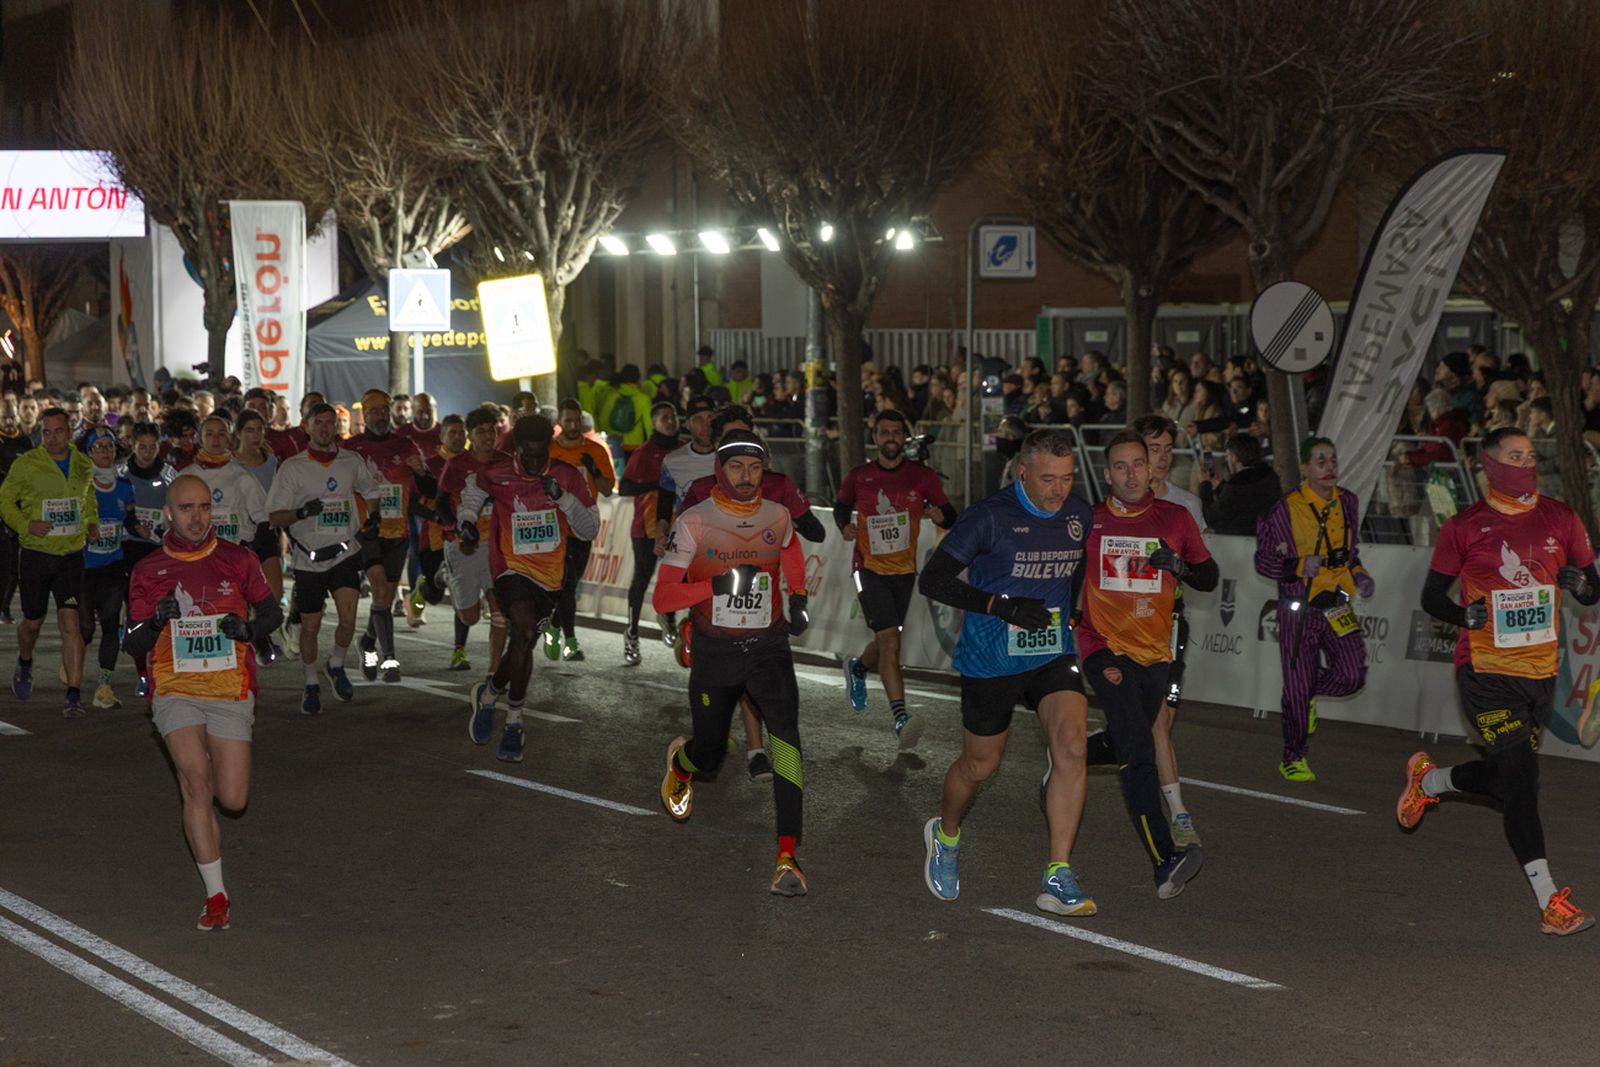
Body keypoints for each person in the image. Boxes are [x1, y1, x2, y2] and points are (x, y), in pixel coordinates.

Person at [1398, 428, 1600, 936]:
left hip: (1539, 674)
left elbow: (1592, 586)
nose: (1525, 464)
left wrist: (1581, 584)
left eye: (1531, 456)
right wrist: (1462, 615)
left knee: (1508, 779)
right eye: (1515, 456)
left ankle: (1431, 782)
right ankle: (1550, 902)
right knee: (1523, 782)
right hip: (1484, 672)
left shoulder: (1562, 517)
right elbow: (1431, 596)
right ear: (1489, 463)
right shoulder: (1465, 526)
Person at [917, 429, 1098, 915]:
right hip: (991, 657)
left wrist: (1071, 612)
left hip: (1050, 651)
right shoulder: (989, 516)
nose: (1057, 490)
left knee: (1073, 748)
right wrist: (999, 604)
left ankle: (1057, 874)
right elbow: (932, 580)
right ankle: (946, 836)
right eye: (1046, 479)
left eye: (1065, 478)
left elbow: (1077, 565)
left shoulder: (1079, 513)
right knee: (981, 766)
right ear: (1022, 472)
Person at [653, 430, 811, 895]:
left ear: (765, 470)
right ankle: (682, 765)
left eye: (755, 467)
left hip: (768, 648)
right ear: (720, 470)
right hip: (716, 653)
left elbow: (792, 550)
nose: (746, 477)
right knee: (710, 753)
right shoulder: (695, 522)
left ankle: (787, 857)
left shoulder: (777, 516)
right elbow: (664, 597)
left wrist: (797, 596)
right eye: (737, 467)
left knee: (787, 743)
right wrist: (718, 586)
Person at [123, 474, 282, 931]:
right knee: (196, 784)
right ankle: (216, 896)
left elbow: (271, 611)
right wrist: (155, 622)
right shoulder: (149, 569)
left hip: (229, 689)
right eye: (186, 509)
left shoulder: (237, 558)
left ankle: (209, 822)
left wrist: (248, 630)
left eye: (204, 508)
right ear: (168, 513)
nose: (197, 517)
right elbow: (132, 643)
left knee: (231, 798)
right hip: (175, 689)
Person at [1074, 430, 1215, 897]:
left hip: (1156, 652)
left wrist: (1179, 566)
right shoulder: (1087, 520)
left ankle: (1069, 755)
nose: (1131, 475)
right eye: (1120, 466)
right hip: (1103, 649)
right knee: (1138, 750)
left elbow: (1209, 577)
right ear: (1106, 472)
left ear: (1152, 468)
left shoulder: (1174, 518)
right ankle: (1165, 859)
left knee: (1124, 736)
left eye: (1138, 464)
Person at [460, 414, 598, 763]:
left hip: (550, 578)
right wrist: (466, 521)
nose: (536, 463)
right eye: (529, 456)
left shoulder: (566, 475)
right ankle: (514, 723)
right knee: (521, 629)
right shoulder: (497, 471)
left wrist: (564, 498)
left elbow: (589, 530)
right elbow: (473, 492)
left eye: (542, 455)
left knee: (523, 643)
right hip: (510, 568)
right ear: (517, 448)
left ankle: (489, 694)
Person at [1253, 437, 1373, 781]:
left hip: (1336, 604)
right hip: (1299, 608)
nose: (1329, 467)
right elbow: (1264, 561)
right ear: (1305, 469)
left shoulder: (1347, 501)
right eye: (1320, 461)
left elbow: (1350, 553)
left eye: (1333, 460)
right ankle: (1293, 756)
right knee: (1295, 687)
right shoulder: (1283, 510)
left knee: (1352, 676)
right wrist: (1296, 566)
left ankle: (1309, 692)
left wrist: (1360, 575)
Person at [835, 410, 956, 747]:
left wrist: (939, 513)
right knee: (891, 640)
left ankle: (859, 668)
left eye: (896, 432)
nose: (890, 438)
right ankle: (901, 717)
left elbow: (951, 512)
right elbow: (840, 507)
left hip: (904, 572)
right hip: (868, 568)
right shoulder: (859, 476)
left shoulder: (923, 477)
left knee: (887, 638)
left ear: (904, 437)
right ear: (876, 437)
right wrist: (843, 525)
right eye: (884, 432)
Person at [265, 402, 383, 715]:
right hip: (309, 558)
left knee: (348, 619)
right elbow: (274, 515)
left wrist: (374, 516)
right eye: (319, 423)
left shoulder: (351, 461)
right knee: (310, 627)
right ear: (307, 426)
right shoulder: (292, 467)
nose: (325, 428)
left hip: (345, 552)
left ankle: (337, 664)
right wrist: (301, 512)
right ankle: (311, 682)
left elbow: (372, 491)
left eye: (330, 423)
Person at [0, 407, 99, 715]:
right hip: (36, 555)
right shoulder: (28, 463)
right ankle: (25, 660)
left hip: (70, 555)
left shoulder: (83, 464)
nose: (53, 437)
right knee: (33, 622)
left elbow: (88, 498)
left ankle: (73, 695)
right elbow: (4, 499)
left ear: (69, 433)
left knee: (71, 622)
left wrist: (92, 523)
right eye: (47, 432)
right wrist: (26, 525)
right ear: (41, 433)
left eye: (59, 431)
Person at [344, 390, 435, 685]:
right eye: (375, 412)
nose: (381, 416)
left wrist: (421, 473)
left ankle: (368, 642)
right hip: (368, 531)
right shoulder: (352, 449)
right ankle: (390, 659)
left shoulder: (404, 445)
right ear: (365, 416)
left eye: (385, 410)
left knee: (383, 597)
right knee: (381, 588)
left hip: (398, 533)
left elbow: (429, 490)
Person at [191, 414, 276, 662]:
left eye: (222, 434)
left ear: (230, 437)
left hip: (234, 558)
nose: (216, 440)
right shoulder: (188, 475)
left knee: (234, 611)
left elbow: (262, 518)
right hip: (200, 558)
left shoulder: (242, 476)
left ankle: (244, 656)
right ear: (200, 438)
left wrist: (251, 549)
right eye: (210, 434)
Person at [543, 398, 616, 661]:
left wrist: (594, 469)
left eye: (577, 420)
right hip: (554, 529)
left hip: (583, 527)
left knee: (568, 588)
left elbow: (608, 490)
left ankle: (553, 626)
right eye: (568, 420)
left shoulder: (596, 449)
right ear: (560, 422)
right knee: (566, 584)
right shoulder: (548, 451)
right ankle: (571, 642)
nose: (573, 425)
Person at [438, 409, 506, 675]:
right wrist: (457, 527)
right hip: (465, 546)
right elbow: (442, 501)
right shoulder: (457, 465)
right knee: (471, 617)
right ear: (471, 436)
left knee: (500, 610)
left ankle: (494, 671)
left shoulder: (507, 462)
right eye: (481, 432)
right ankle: (446, 576)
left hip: (499, 548)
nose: (488, 436)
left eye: (491, 430)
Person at [617, 401, 683, 664]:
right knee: (642, 579)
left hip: (679, 526)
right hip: (646, 527)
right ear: (653, 423)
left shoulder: (683, 451)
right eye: (664, 417)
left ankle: (668, 616)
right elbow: (625, 488)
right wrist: (659, 484)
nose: (670, 421)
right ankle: (632, 634)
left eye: (673, 416)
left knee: (679, 577)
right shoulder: (644, 453)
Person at [81, 429, 138, 709]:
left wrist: (139, 527)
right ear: (90, 452)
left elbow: (128, 519)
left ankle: (104, 685)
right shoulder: (82, 483)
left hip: (113, 565)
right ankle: (74, 665)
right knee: (84, 627)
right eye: (99, 447)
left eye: (109, 447)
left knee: (110, 623)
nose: (105, 451)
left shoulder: (125, 485)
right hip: (83, 568)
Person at [1199, 433, 1280, 535]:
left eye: (1228, 455)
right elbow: (1244, 501)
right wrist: (1220, 485)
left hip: (1239, 543)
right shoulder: (1269, 476)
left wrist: (1205, 485)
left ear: (1234, 457)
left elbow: (1211, 519)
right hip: (1269, 537)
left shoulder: (1237, 486)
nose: (1227, 459)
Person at [0, 395, 30, 623]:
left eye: (11, 417)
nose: (9, 422)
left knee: (14, 566)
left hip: (20, 510)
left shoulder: (25, 442)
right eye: (4, 417)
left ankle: (5, 605)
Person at [600, 365, 654, 456]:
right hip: (635, 444)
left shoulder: (612, 397)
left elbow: (603, 419)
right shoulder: (644, 399)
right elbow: (649, 425)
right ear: (638, 378)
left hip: (615, 442)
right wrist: (652, 446)